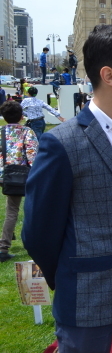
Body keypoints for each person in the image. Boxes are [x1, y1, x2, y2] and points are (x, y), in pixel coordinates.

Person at [22, 24, 112, 353]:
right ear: (110, 75)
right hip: (87, 296)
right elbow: (38, 232)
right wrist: (72, 277)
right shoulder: (61, 143)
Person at [0, 101, 38, 262]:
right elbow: (32, 155)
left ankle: (5, 244)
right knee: (30, 209)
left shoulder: (1, 132)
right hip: (24, 176)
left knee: (11, 210)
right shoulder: (27, 132)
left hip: (5, 175)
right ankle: (31, 243)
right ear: (22, 117)